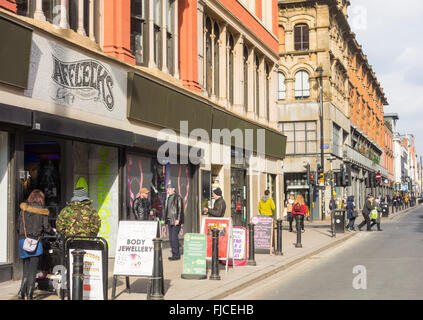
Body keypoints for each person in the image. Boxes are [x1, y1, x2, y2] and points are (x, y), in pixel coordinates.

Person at [17, 190, 56, 300]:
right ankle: (29, 295)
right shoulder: (42, 211)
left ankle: (21, 291)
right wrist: (53, 231)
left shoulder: (23, 210)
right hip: (35, 241)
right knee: (33, 269)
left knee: (26, 268)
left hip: (23, 241)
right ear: (40, 199)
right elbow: (46, 227)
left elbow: (17, 226)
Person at [164, 183, 184, 261]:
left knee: (174, 238)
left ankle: (176, 255)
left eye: (169, 189)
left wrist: (178, 219)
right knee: (171, 238)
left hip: (175, 220)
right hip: (169, 220)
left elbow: (180, 209)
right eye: (167, 189)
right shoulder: (169, 198)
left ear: (173, 189)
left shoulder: (178, 197)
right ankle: (174, 253)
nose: (167, 190)